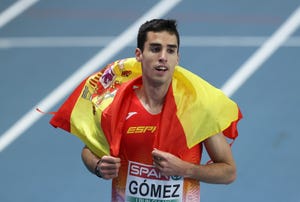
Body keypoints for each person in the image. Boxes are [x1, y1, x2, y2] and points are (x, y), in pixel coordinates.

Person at [51, 19, 242, 201]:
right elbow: (89, 150)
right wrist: (98, 166)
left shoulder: (196, 108)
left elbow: (229, 171)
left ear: (177, 58)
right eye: (155, 49)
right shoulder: (117, 105)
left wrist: (185, 169)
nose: (163, 57)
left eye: (171, 50)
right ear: (139, 55)